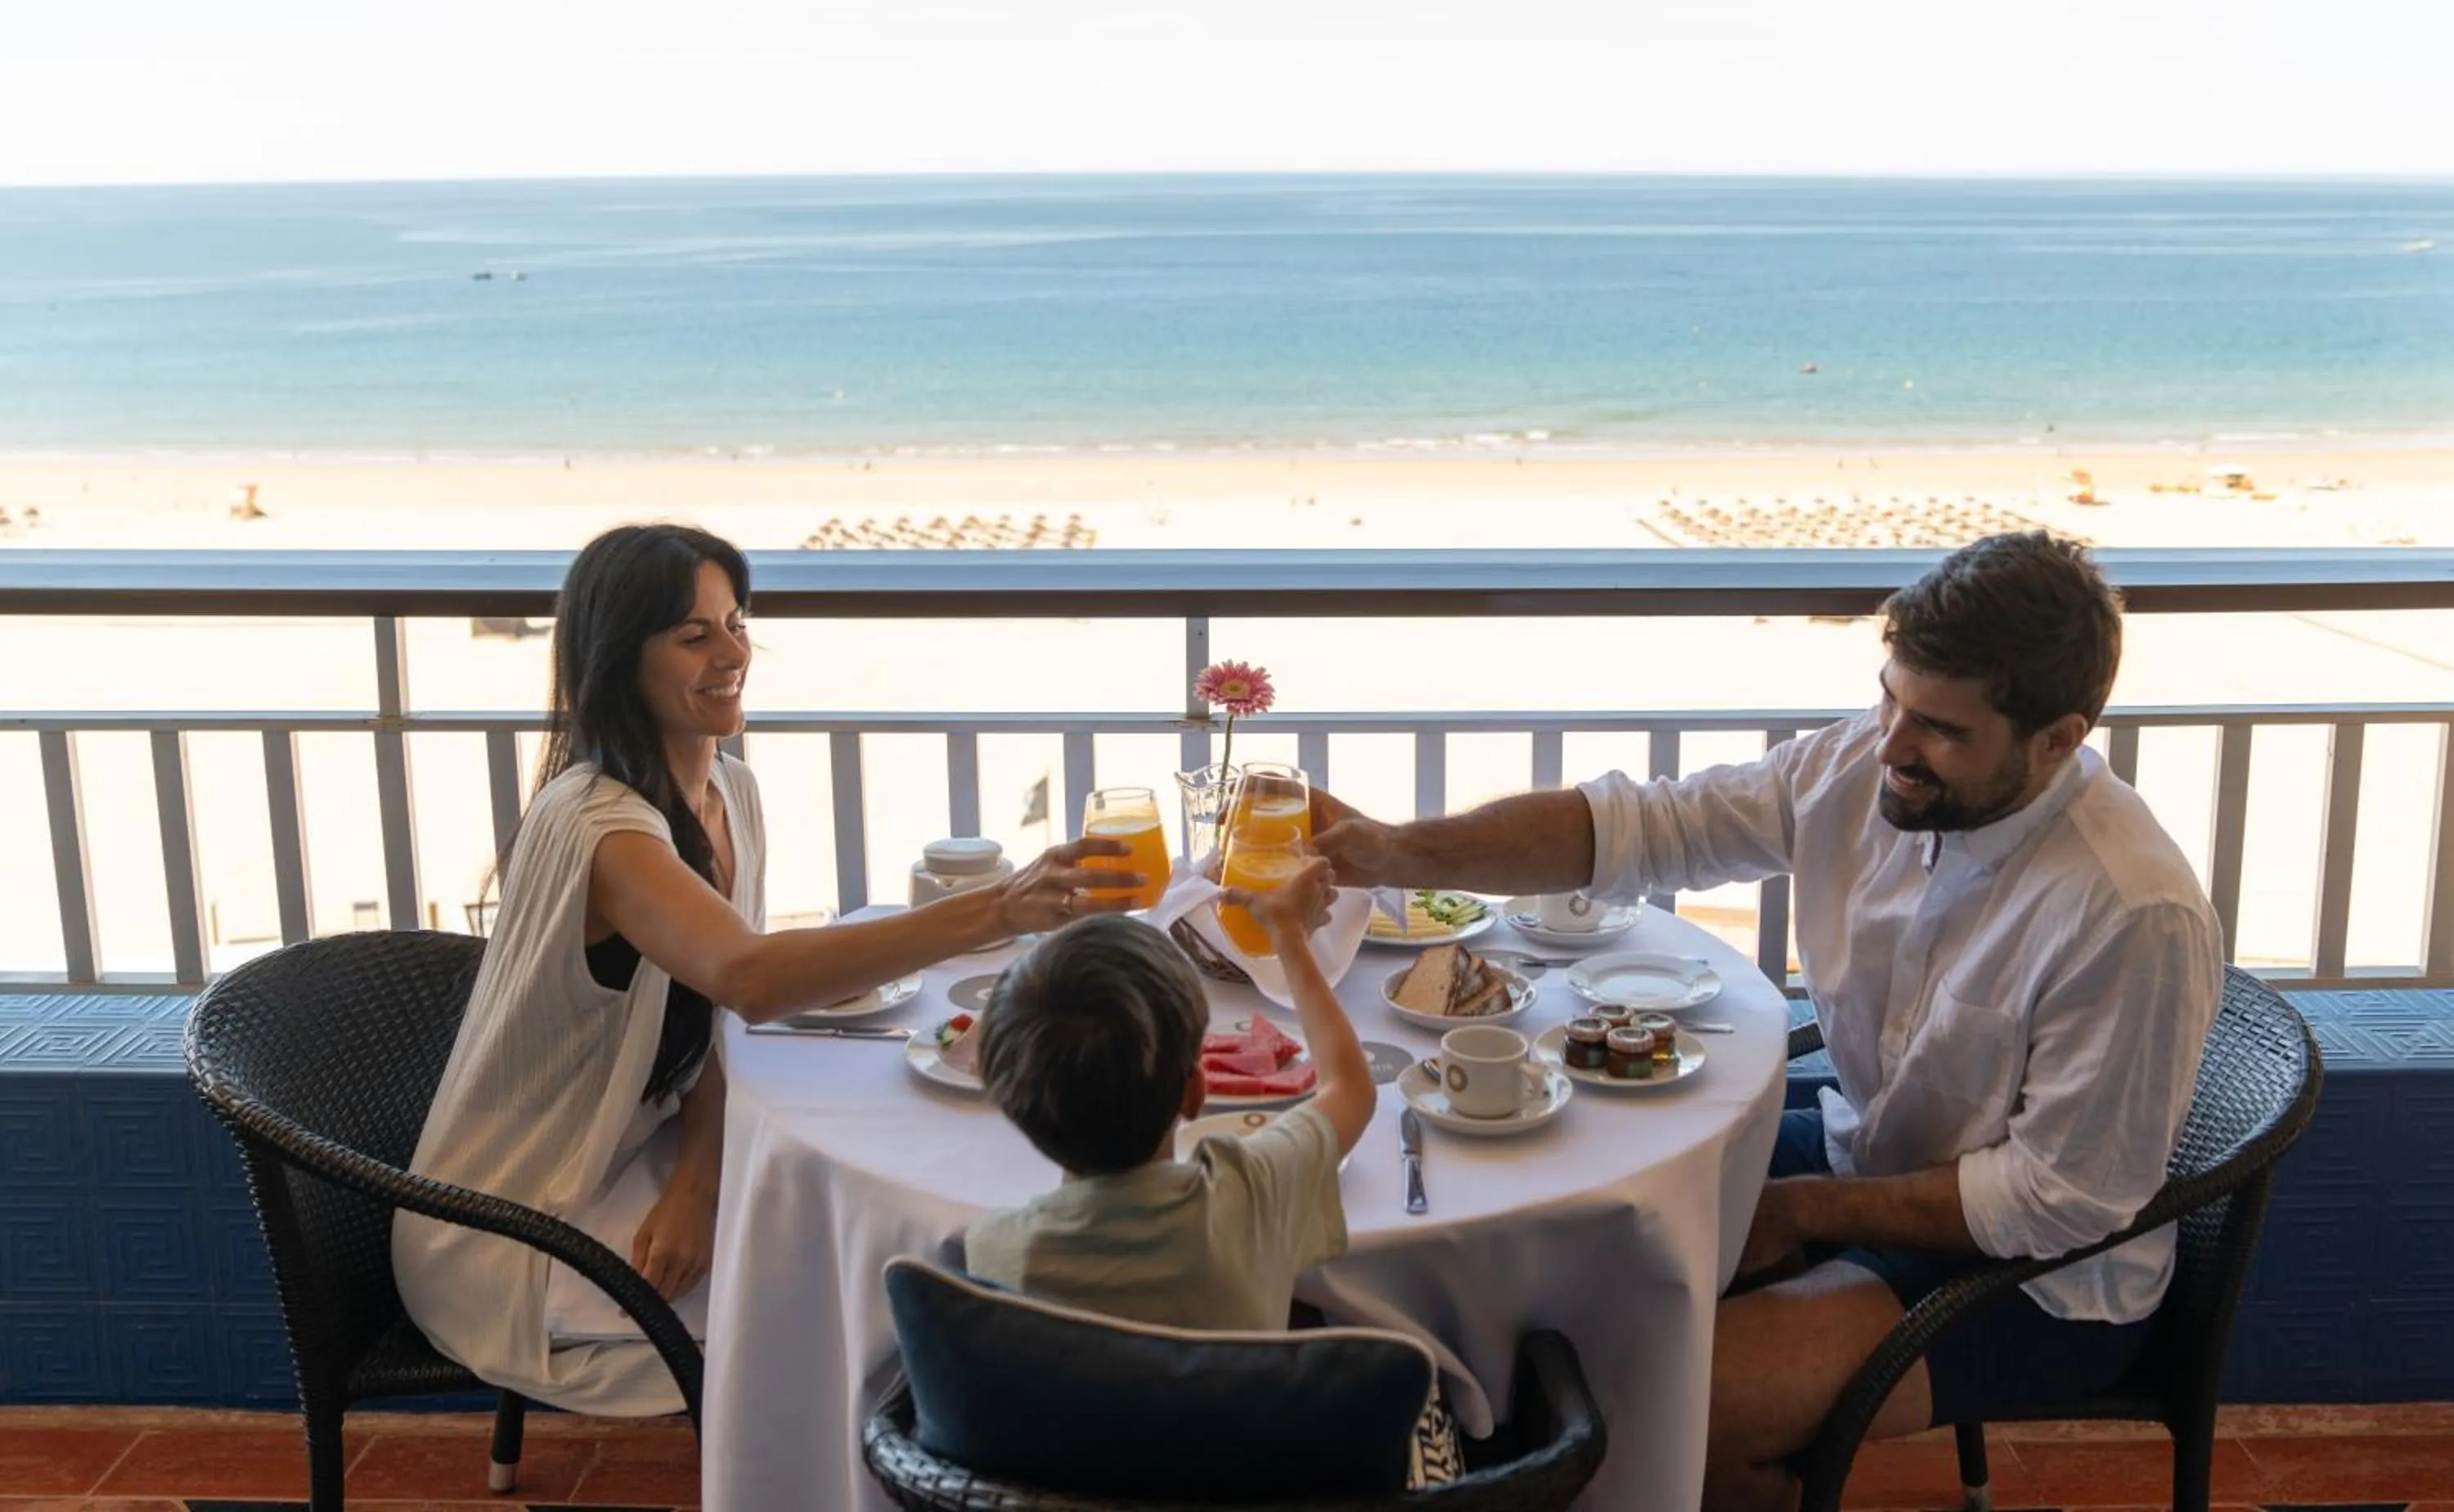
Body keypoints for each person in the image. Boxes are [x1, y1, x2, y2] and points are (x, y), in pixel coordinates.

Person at [1310, 532, 2223, 1511]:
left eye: (1942, 730)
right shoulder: (1860, 768)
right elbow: (1638, 828)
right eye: (1890, 698)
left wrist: (1797, 1210)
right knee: (1550, 1275)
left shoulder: (2129, 911)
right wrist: (1396, 851)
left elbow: (2057, 1201)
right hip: (1870, 1153)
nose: (1891, 746)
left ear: (2059, 737)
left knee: (1650, 1399)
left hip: (2040, 1275)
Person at [395, 523, 1139, 1416]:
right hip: (519, 1226)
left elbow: (724, 1017)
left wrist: (699, 1178)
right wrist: (996, 907)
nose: (732, 651)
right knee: (851, 1311)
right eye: (693, 634)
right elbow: (751, 977)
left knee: (866, 1250)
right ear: (617, 659)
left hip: (635, 1158)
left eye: (737, 621)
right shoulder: (601, 826)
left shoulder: (728, 791)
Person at [964, 859, 1463, 1482]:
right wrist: (1289, 939)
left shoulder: (992, 1255)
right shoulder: (1251, 1188)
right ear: (1197, 1091)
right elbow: (1350, 1088)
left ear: (1012, 1106)